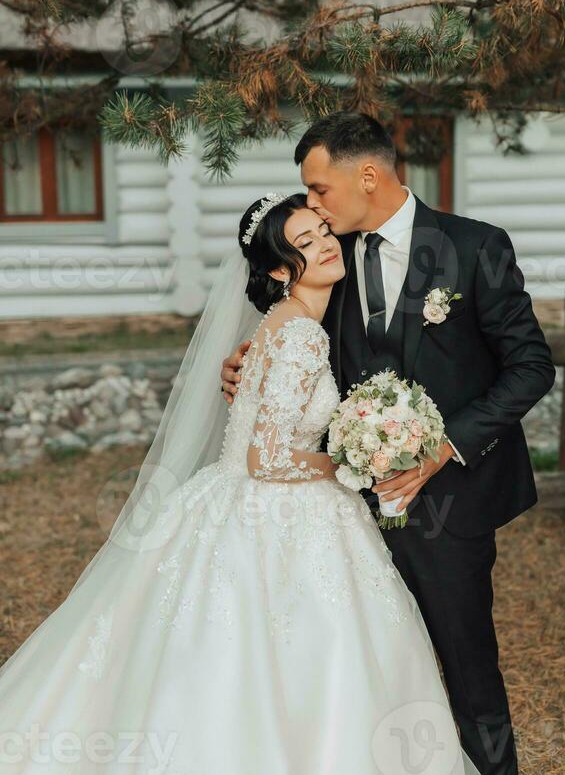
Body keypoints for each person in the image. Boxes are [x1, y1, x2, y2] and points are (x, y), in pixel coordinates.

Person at [0, 190, 482, 775]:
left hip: (225, 499)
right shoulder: (300, 335)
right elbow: (266, 457)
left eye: (324, 233)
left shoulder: (281, 325)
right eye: (305, 244)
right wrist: (355, 464)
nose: (327, 244)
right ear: (280, 269)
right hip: (275, 506)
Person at [221, 111, 557, 775]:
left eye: (319, 190)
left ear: (367, 175)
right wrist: (243, 368)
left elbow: (531, 367)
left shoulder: (474, 247)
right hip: (339, 514)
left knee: (468, 669)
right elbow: (290, 340)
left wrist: (443, 447)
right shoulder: (328, 256)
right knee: (359, 670)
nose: (311, 205)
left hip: (449, 505)